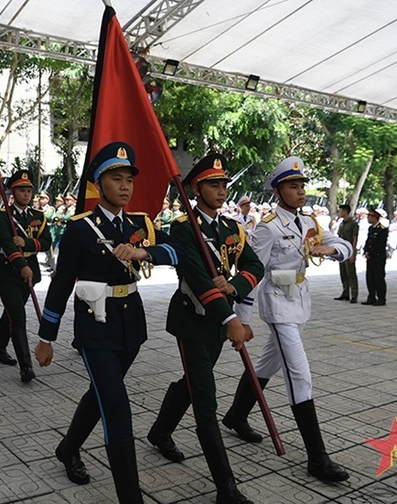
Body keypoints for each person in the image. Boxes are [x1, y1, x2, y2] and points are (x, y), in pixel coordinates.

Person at [34, 142, 181, 503]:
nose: (126, 186)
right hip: (94, 329)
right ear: (100, 184)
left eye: (129, 179)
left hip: (131, 327)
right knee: (117, 406)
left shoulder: (139, 224)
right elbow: (61, 284)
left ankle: (68, 448)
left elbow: (180, 250)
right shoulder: (81, 229)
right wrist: (46, 336)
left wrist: (146, 251)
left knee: (100, 395)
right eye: (117, 179)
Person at [222, 156, 351, 483]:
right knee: (299, 375)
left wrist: (329, 251)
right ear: (278, 191)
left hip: (300, 302)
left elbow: (345, 246)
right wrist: (243, 318)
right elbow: (252, 272)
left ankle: (236, 415)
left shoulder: (309, 223)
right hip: (278, 305)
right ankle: (317, 457)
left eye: (302, 185)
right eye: (293, 186)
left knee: (267, 365)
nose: (301, 191)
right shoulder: (268, 227)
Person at [147, 153, 263, 504]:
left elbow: (254, 265)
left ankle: (160, 430)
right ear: (196, 189)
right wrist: (231, 319)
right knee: (206, 399)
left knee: (193, 384)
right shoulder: (184, 228)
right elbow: (197, 279)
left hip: (219, 318)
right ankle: (225, 487)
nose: (221, 190)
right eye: (213, 184)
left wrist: (235, 288)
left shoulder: (232, 228)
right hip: (194, 321)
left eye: (224, 184)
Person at [0, 170, 51, 381]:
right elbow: (7, 245)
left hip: (30, 273)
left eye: (28, 191)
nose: (26, 194)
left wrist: (26, 243)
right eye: (21, 190)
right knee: (18, 315)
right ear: (12, 192)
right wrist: (21, 265)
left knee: (10, 311)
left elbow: (46, 241)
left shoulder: (38, 216)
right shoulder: (2, 216)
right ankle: (26, 366)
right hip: (9, 271)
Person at [362, 207, 388, 306]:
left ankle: (381, 298)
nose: (368, 218)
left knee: (379, 277)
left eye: (370, 216)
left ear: (375, 217)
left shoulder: (382, 229)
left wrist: (370, 252)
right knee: (370, 277)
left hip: (378, 256)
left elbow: (380, 244)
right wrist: (365, 250)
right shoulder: (371, 228)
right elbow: (368, 241)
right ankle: (371, 296)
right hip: (370, 257)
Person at [334, 204, 358, 303]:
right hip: (342, 252)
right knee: (343, 273)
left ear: (345, 211)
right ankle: (345, 293)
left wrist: (353, 253)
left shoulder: (353, 223)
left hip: (349, 251)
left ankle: (354, 295)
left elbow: (354, 239)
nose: (339, 213)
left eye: (340, 211)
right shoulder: (342, 223)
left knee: (351, 274)